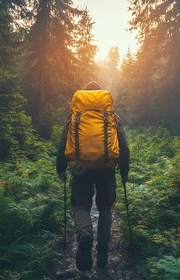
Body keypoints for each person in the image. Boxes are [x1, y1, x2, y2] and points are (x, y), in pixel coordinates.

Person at [56, 81, 130, 271]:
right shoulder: (112, 116)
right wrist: (124, 172)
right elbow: (124, 146)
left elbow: (63, 142)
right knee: (105, 209)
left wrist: (61, 169)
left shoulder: (74, 116)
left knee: (81, 205)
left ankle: (84, 234)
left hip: (80, 167)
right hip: (106, 167)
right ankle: (103, 254)